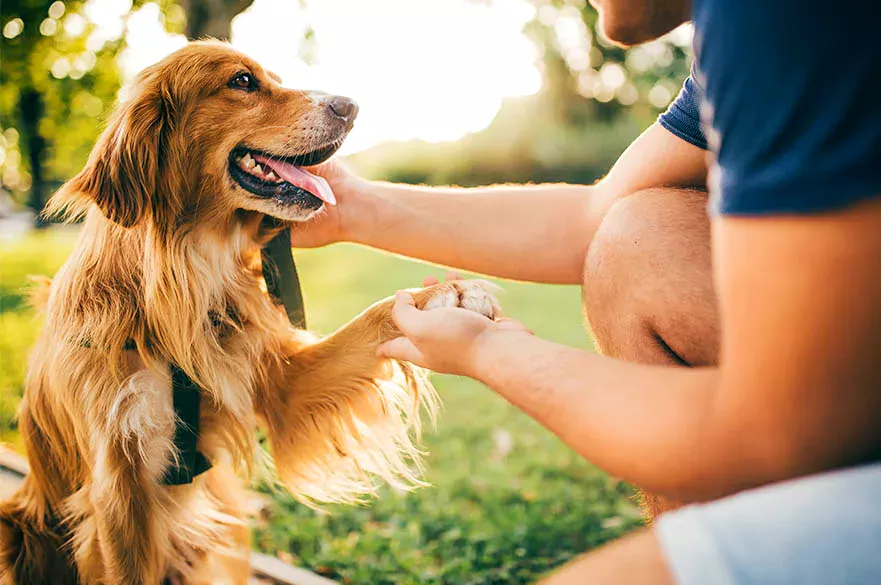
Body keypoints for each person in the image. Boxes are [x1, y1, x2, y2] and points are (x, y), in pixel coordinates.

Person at [296, 0, 881, 582]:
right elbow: (595, 219)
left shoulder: (782, 17)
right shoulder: (745, 36)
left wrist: (488, 350)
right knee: (641, 238)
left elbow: (769, 433)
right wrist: (350, 208)